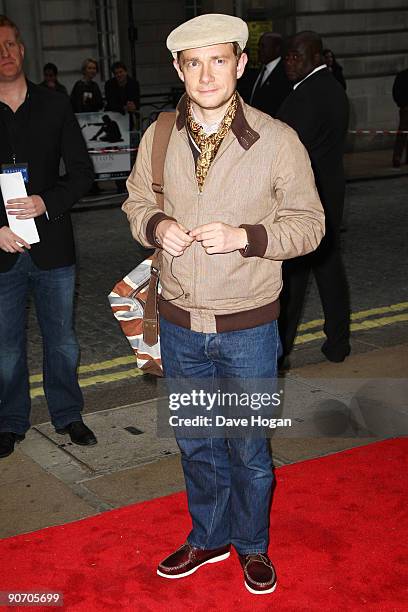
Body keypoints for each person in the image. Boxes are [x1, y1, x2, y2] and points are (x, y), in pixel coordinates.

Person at [123, 14, 324, 595]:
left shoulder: (278, 140)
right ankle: (208, 537)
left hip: (249, 327)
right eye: (193, 62)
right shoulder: (159, 135)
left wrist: (249, 236)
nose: (206, 73)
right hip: (180, 321)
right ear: (178, 70)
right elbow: (135, 202)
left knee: (248, 447)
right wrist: (156, 224)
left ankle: (253, 545)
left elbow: (310, 226)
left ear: (239, 65)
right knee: (197, 442)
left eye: (218, 60)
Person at [0, 15, 97, 459]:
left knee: (62, 340)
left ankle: (68, 414)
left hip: (53, 245)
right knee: (6, 347)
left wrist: (45, 202)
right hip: (2, 251)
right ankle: (10, 421)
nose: (5, 53)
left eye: (11, 44)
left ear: (23, 49)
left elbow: (81, 174)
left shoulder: (55, 105)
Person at [277, 31, 350, 363]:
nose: (289, 63)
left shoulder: (307, 95)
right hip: (330, 192)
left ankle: (280, 349)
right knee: (328, 270)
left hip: (305, 200)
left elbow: (283, 149)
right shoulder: (333, 88)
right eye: (288, 56)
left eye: (297, 56)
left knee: (294, 276)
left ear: (316, 58)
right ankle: (338, 343)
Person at [249, 32, 292, 117]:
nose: (259, 50)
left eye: (263, 46)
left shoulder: (286, 73)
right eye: (259, 46)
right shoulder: (257, 71)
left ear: (276, 48)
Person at [391, 67, 408, 168]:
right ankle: (397, 157)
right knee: (402, 132)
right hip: (406, 108)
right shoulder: (402, 75)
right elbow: (396, 91)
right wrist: (402, 104)